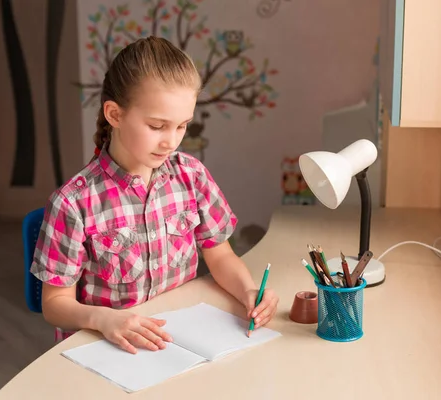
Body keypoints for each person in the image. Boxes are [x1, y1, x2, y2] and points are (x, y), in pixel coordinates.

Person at [30, 36, 279, 354]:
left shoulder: (192, 176)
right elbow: (54, 304)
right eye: (158, 126)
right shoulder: (73, 203)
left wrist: (249, 292)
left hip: (178, 340)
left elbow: (221, 256)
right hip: (107, 347)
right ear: (115, 114)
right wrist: (105, 320)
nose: (171, 142)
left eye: (182, 126)